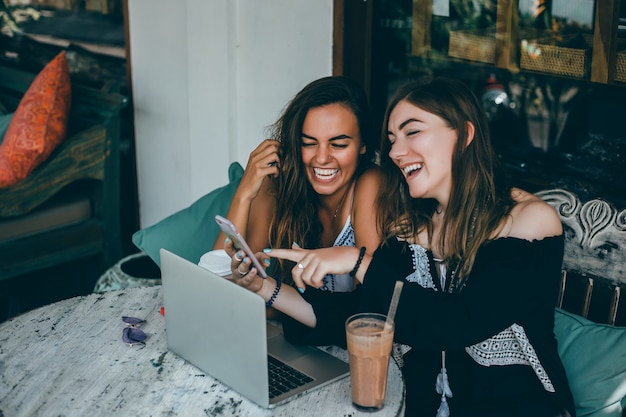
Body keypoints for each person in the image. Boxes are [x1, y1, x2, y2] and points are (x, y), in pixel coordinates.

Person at [228, 77, 576, 416]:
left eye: (412, 132)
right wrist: (265, 286)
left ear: (465, 134)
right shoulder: (410, 228)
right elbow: (359, 317)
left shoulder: (528, 222)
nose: (394, 151)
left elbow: (457, 321)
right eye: (392, 139)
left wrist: (358, 261)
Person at [214, 75, 383, 292]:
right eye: (308, 143)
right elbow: (217, 282)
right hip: (295, 319)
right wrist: (245, 192)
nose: (322, 158)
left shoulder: (370, 183)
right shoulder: (281, 182)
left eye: (338, 144)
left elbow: (368, 302)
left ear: (363, 145)